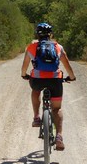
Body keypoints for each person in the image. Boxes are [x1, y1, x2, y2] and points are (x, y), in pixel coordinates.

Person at [20, 22, 76, 150]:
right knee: (56, 109)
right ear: (50, 34)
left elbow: (24, 67)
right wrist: (71, 77)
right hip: (55, 80)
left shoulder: (31, 47)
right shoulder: (58, 47)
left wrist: (24, 75)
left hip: (37, 80)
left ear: (37, 34)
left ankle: (36, 117)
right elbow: (67, 66)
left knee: (35, 91)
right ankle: (59, 137)